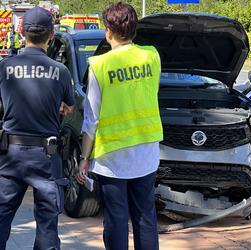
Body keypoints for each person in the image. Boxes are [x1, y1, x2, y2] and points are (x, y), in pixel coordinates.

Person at [76, 2, 163, 250]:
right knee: (145, 217)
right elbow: (152, 93)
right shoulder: (151, 56)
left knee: (116, 219)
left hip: (112, 159)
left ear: (108, 31)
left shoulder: (100, 64)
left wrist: (84, 157)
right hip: (146, 153)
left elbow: (91, 119)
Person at [0, 6, 74, 250]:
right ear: (51, 34)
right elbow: (69, 107)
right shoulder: (61, 72)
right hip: (46, 156)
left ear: (22, 32)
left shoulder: (4, 68)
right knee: (47, 226)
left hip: (10, 155)